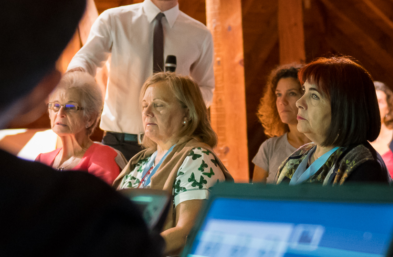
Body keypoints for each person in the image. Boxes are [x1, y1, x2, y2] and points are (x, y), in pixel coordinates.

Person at [0, 0, 162, 256]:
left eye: (66, 106)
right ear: (41, 91)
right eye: (56, 106)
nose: (58, 114)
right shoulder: (86, 222)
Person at [68, 0, 214, 160]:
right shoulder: (114, 20)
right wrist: (75, 80)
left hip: (174, 146)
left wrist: (182, 106)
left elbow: (206, 88)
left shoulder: (200, 34)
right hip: (119, 146)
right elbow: (87, 58)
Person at [115, 72, 233, 254]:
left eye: (158, 105)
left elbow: (187, 232)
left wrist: (136, 250)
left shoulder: (197, 158)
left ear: (187, 112)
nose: (147, 112)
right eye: (144, 105)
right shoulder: (141, 161)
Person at [276, 56, 391, 185]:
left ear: (344, 108)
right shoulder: (297, 157)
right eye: (304, 91)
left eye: (314, 95)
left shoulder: (364, 167)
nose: (299, 102)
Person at [35, 72, 125, 184]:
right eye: (56, 105)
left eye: (71, 107)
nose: (60, 113)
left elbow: (98, 199)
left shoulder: (103, 156)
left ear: (90, 118)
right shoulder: (42, 160)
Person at [252, 65, 311, 183]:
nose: (282, 101)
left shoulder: (327, 147)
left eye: (292, 93)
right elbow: (255, 199)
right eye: (279, 94)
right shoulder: (269, 149)